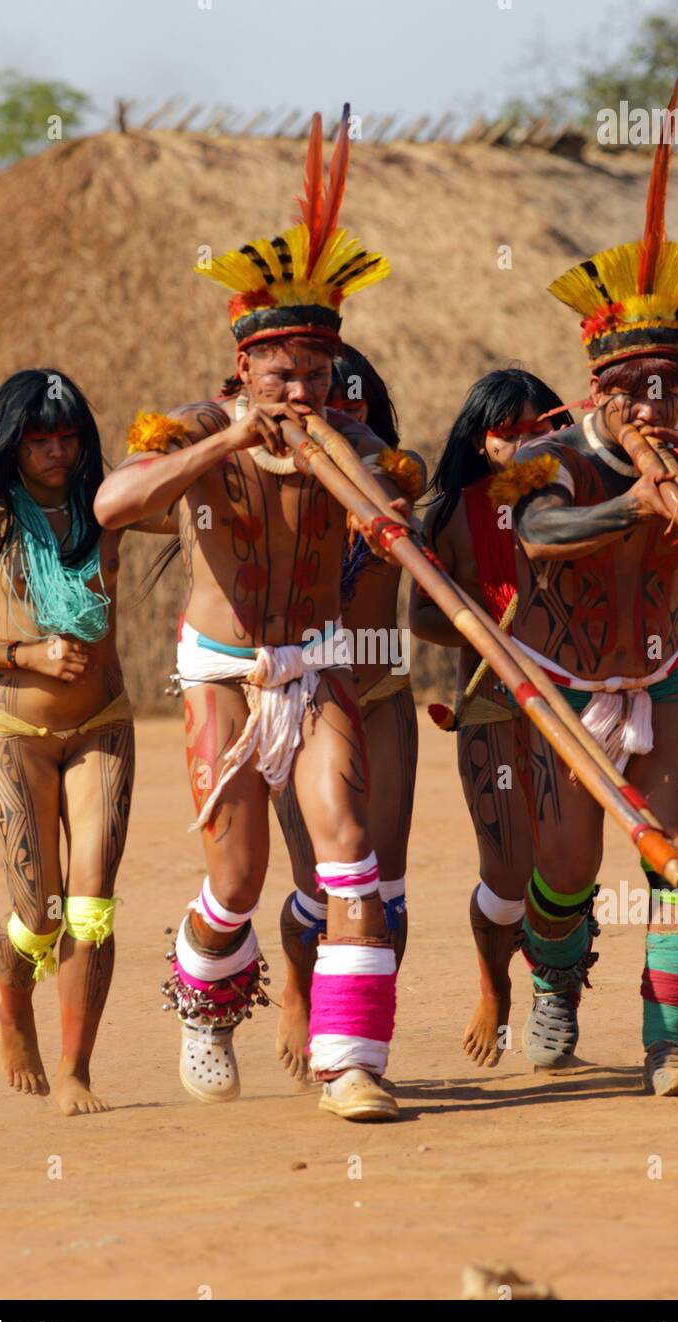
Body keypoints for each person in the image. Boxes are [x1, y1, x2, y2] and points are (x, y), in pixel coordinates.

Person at [95, 106, 421, 1122]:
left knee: (349, 849)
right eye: (280, 372)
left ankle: (351, 1064)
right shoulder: (192, 427)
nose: (298, 388)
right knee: (232, 880)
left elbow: (386, 515)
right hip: (222, 674)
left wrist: (368, 494)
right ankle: (204, 1003)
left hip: (314, 665)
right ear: (242, 368)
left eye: (315, 374)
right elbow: (114, 503)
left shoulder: (354, 447)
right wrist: (228, 442)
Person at [507, 89, 678, 1094]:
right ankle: (552, 976)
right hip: (564, 687)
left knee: (677, 857)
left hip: (658, 681)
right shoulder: (551, 459)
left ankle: (669, 1047)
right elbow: (535, 537)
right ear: (597, 389)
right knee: (567, 869)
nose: (652, 404)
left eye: (668, 385)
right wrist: (630, 508)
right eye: (633, 388)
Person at [0, 369, 145, 1115]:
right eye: (38, 440)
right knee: (41, 910)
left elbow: (195, 508)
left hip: (102, 724)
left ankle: (79, 1069)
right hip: (14, 729)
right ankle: (13, 1004)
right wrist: (26, 653)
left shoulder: (111, 508)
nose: (55, 452)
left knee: (92, 906)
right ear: (11, 445)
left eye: (67, 436)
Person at [410, 369, 572, 1067]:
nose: (525, 444)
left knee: (562, 863)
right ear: (481, 439)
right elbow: (420, 616)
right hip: (486, 706)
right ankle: (493, 986)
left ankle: (554, 995)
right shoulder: (447, 516)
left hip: (569, 702)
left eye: (541, 429)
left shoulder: (579, 497)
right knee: (507, 870)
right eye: (510, 433)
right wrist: (480, 629)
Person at [272, 344, 425, 1081]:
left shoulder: (391, 490)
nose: (338, 417)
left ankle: (360, 1045)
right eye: (337, 403)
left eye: (355, 407)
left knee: (382, 895)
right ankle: (298, 989)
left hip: (382, 697)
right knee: (316, 890)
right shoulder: (274, 491)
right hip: (300, 696)